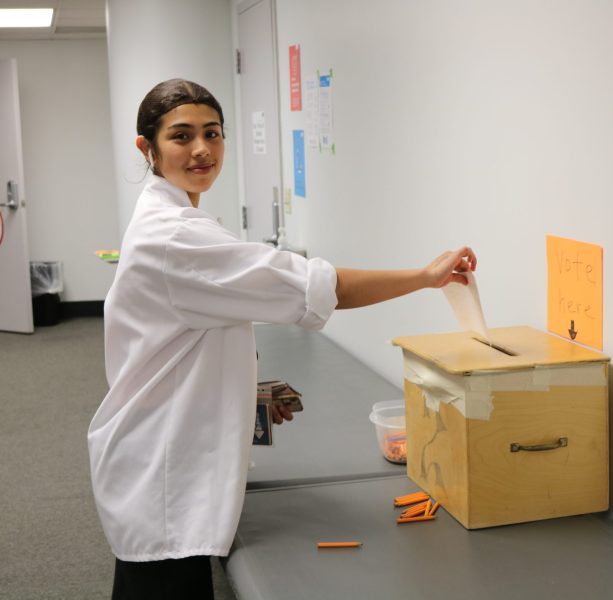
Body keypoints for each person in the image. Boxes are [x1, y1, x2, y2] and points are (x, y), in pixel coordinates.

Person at [87, 79, 477, 599]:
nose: (202, 149)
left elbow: (175, 346)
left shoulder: (172, 219)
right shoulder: (176, 236)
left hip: (155, 447)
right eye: (182, 136)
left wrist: (246, 394)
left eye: (213, 133)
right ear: (147, 147)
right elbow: (319, 287)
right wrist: (424, 277)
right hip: (162, 472)